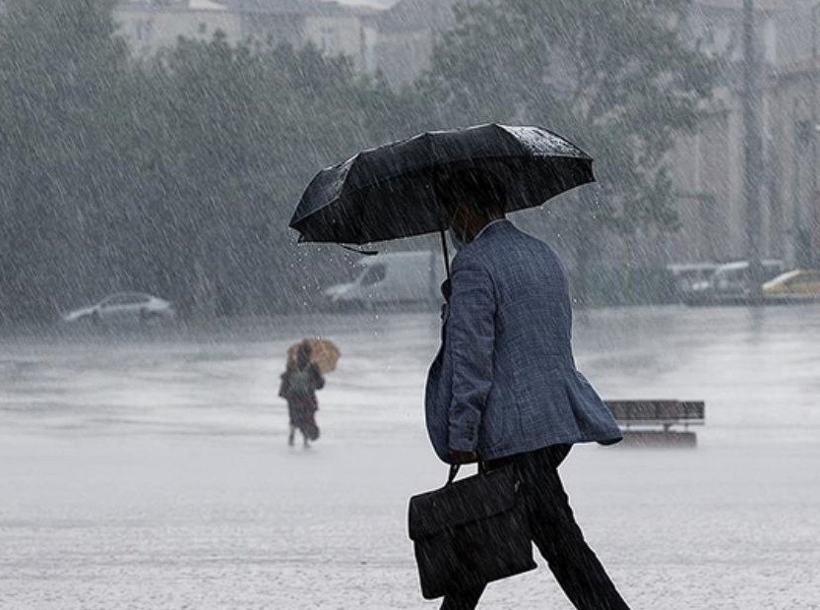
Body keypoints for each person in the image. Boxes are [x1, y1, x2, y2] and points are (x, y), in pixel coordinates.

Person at [425, 168, 631, 610]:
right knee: (482, 542)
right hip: (552, 423)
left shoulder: (474, 265)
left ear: (464, 209)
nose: (449, 226)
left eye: (449, 214)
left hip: (512, 434)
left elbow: (472, 361)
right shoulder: (543, 255)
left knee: (561, 546)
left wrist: (462, 436)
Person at [279, 340, 324, 448]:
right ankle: (305, 439)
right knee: (307, 417)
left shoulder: (292, 366)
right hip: (307, 397)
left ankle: (293, 436)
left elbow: (285, 380)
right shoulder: (312, 367)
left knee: (295, 418)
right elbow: (320, 384)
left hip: (294, 397)